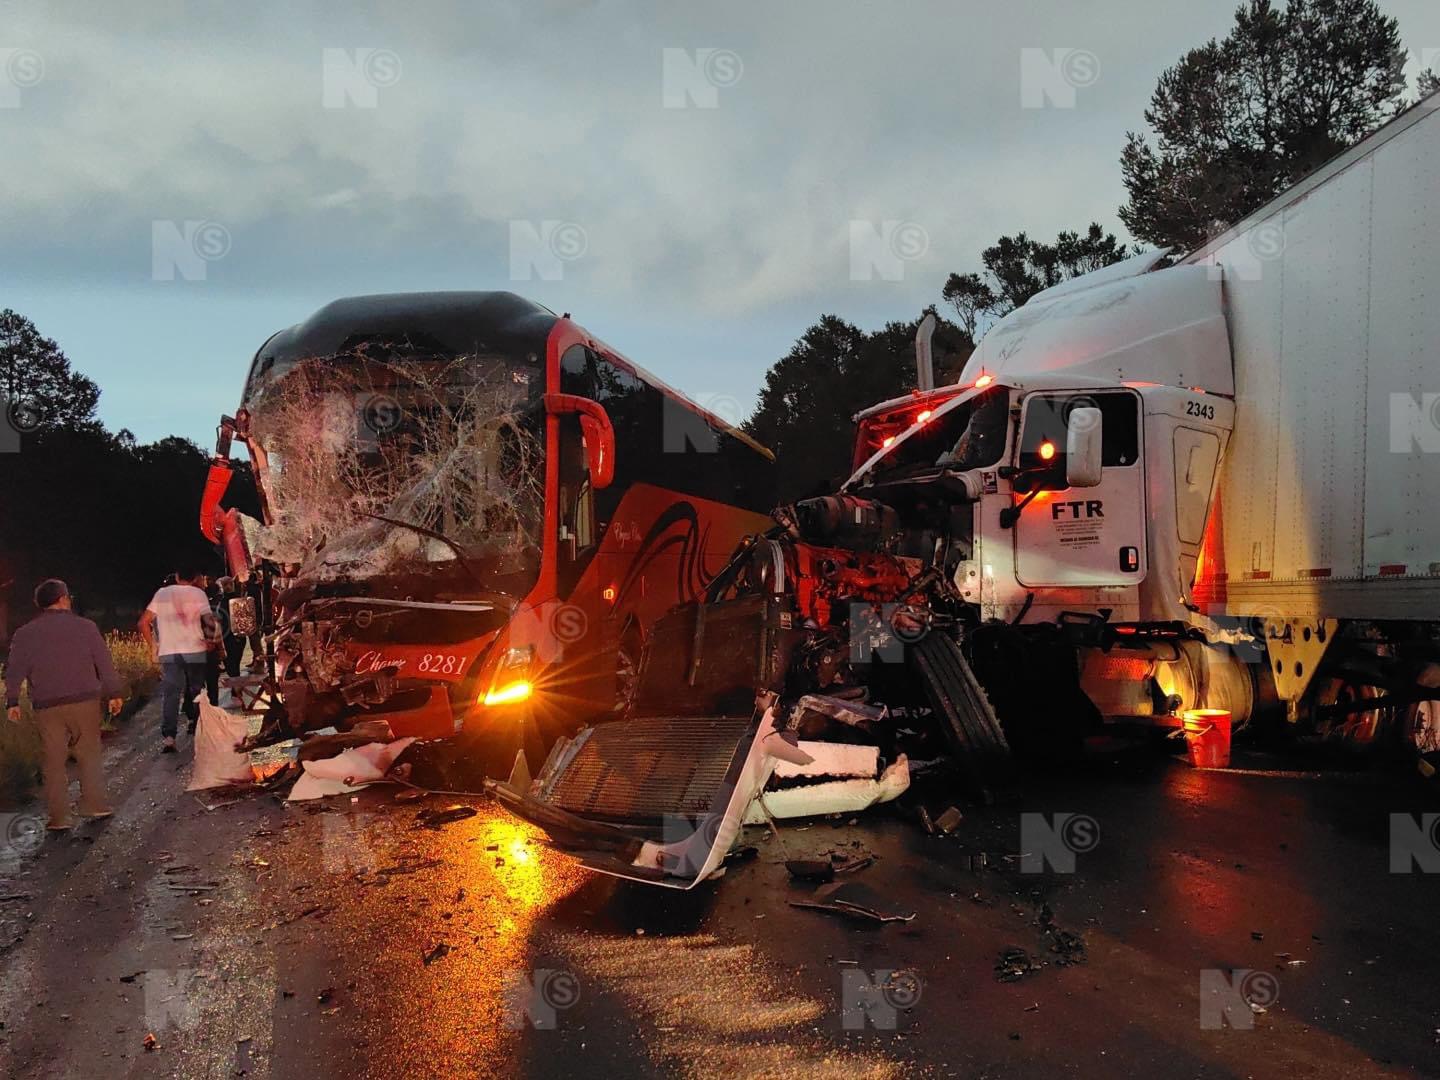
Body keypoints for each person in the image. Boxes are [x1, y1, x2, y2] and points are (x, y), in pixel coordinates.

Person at [3, 579, 123, 831]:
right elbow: (103, 661)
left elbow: (14, 670)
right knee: (88, 753)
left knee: (53, 760)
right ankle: (93, 804)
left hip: (46, 704)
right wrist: (113, 692)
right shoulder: (86, 627)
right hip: (84, 699)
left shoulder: (25, 633)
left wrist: (12, 700)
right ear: (63, 598)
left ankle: (59, 817)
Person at [139, 567, 212, 753]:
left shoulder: (162, 594)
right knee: (197, 690)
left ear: (177, 577)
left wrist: (153, 645)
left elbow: (143, 622)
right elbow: (210, 621)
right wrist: (213, 642)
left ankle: (169, 738)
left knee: (171, 694)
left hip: (169, 652)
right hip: (195, 650)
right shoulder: (198, 593)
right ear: (195, 577)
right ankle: (199, 728)